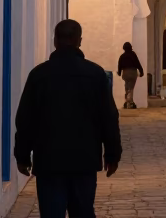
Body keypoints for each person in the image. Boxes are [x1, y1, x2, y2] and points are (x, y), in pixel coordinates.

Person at [14, 19, 122, 218]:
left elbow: (25, 119)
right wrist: (113, 155)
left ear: (55, 41)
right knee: (83, 212)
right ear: (79, 41)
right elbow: (109, 117)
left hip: (49, 160)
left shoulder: (39, 75)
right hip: (84, 160)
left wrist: (22, 156)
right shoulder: (95, 74)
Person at [117, 42, 144, 109]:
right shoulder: (133, 55)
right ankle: (129, 102)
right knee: (131, 87)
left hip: (125, 72)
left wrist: (119, 72)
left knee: (127, 86)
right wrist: (141, 71)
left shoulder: (122, 56)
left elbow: (120, 65)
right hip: (132, 72)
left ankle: (128, 101)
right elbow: (138, 63)